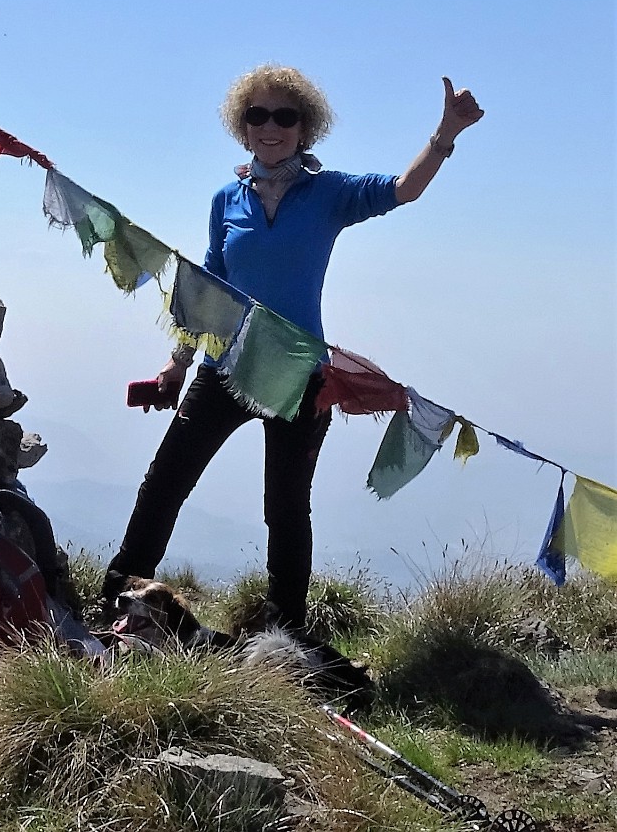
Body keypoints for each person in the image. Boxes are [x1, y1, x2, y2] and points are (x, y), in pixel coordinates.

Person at [101, 64, 483, 630]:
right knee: (165, 481)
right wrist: (176, 364)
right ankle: (115, 601)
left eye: (285, 115)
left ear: (306, 127)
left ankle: (286, 632)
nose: (270, 126)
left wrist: (445, 133)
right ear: (243, 126)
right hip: (226, 367)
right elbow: (207, 287)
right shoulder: (224, 200)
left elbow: (404, 190)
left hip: (300, 375)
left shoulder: (328, 194)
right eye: (258, 115)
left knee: (284, 508)